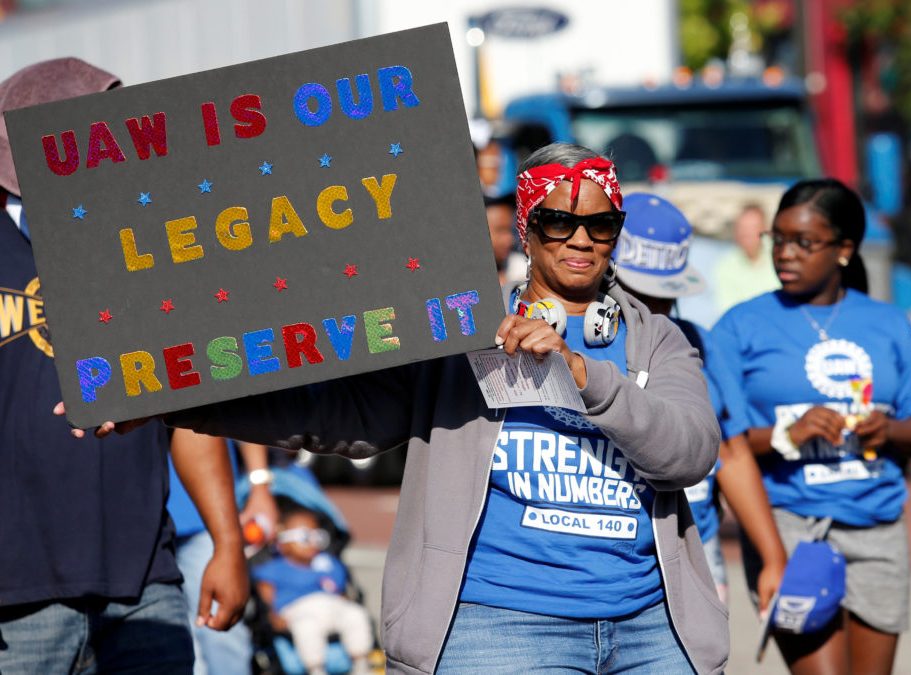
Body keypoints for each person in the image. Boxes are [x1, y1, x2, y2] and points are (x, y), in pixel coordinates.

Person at [86, 143, 727, 674]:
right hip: (498, 626)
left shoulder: (657, 338)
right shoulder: (460, 328)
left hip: (651, 633)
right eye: (558, 221)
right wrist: (175, 399)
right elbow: (342, 415)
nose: (580, 239)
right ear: (527, 232)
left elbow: (691, 453)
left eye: (601, 224)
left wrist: (586, 374)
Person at [0, 57, 247, 674]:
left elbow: (190, 410)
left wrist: (228, 542)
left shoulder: (152, 247)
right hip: (13, 594)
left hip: (144, 579)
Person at [711, 178, 911, 674]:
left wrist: (888, 430)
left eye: (804, 242)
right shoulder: (739, 326)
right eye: (779, 239)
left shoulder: (888, 323)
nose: (785, 254)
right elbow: (722, 442)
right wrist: (786, 432)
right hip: (791, 527)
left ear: (844, 249)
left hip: (877, 529)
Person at [614, 192, 786, 609]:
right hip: (610, 549)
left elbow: (733, 452)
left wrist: (774, 556)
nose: (653, 309)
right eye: (637, 293)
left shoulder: (698, 343)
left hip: (695, 547)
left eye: (662, 297)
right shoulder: (580, 350)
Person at [169, 440, 279, 675]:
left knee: (220, 628)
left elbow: (241, 408)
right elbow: (87, 403)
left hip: (204, 518)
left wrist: (259, 484)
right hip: (127, 522)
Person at [254, 506, 374, 675]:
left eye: (317, 536)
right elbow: (267, 595)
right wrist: (272, 614)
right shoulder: (275, 568)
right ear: (282, 543)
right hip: (298, 610)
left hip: (332, 605)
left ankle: (361, 664)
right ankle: (315, 668)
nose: (312, 542)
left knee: (356, 615)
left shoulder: (327, 563)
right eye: (304, 537)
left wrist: (345, 600)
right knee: (307, 628)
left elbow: (340, 590)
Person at [714, 202, 780, 313]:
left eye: (752, 228)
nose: (746, 234)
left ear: (765, 229)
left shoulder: (780, 255)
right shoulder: (725, 265)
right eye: (742, 228)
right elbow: (727, 309)